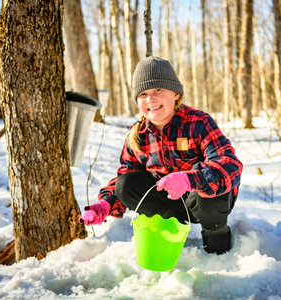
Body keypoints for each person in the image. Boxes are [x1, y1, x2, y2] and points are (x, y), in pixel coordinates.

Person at [79, 56, 243, 255]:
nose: (151, 99)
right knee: (125, 184)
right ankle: (171, 232)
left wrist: (190, 179)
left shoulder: (198, 122)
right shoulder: (137, 134)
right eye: (143, 94)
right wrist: (105, 204)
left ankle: (217, 239)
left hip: (204, 203)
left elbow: (229, 164)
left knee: (208, 189)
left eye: (158, 90)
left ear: (175, 93)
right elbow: (127, 177)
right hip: (170, 205)